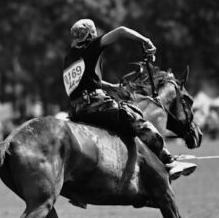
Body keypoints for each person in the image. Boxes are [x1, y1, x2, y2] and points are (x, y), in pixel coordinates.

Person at [63, 18, 197, 181]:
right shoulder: (91, 47)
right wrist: (146, 41)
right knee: (138, 120)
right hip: (95, 105)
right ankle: (169, 162)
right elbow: (121, 31)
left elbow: (83, 81)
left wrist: (110, 87)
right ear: (91, 34)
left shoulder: (69, 57)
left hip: (77, 111)